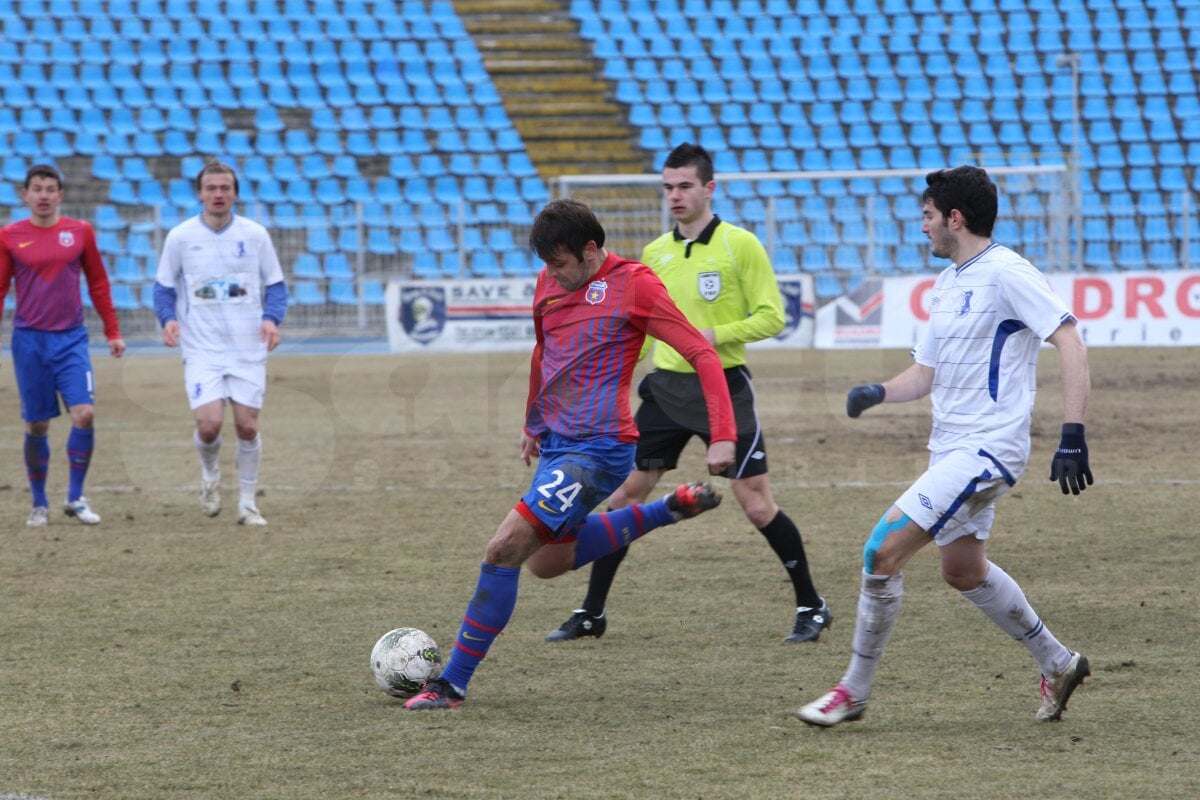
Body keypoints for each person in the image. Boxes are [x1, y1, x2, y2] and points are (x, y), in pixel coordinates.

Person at [405, 198, 738, 709]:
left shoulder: (635, 284)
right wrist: (532, 422)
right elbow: (545, 352)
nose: (552, 276)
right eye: (545, 265)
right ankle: (667, 510)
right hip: (558, 445)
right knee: (547, 563)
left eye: (560, 264)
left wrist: (723, 434)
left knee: (504, 549)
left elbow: (699, 351)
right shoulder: (550, 281)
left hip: (599, 450)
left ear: (589, 250)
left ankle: (451, 683)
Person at [794, 165, 1093, 728]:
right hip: (950, 449)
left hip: (987, 449)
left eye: (928, 216)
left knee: (880, 551)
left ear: (954, 218)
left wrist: (1072, 433)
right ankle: (1058, 662)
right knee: (962, 570)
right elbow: (924, 373)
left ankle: (852, 692)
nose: (922, 228)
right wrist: (877, 392)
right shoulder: (947, 283)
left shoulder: (1007, 272)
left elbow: (1071, 342)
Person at [545, 143, 831, 645]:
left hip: (724, 386)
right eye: (668, 187)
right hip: (664, 391)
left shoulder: (740, 245)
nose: (674, 196)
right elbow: (640, 331)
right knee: (623, 497)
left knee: (756, 503)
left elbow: (774, 316)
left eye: (684, 186)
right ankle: (591, 612)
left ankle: (812, 604)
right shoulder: (655, 254)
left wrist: (709, 337)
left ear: (708, 189)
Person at [153, 161, 287, 526]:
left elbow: (275, 285)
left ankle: (247, 503)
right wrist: (168, 320)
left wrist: (271, 319)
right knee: (209, 424)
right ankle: (210, 476)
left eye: (224, 188)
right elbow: (164, 287)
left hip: (247, 347)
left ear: (235, 193)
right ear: (200, 193)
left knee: (246, 426)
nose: (217, 194)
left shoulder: (255, 234)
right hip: (202, 348)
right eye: (211, 188)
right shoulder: (180, 237)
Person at [0, 164, 126, 527]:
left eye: (49, 189)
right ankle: (39, 503)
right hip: (29, 342)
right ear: (24, 194)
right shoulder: (10, 236)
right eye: (36, 188)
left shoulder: (80, 232)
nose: (42, 195)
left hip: (71, 339)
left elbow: (99, 283)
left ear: (60, 195)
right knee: (37, 424)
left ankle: (75, 498)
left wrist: (112, 331)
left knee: (84, 413)